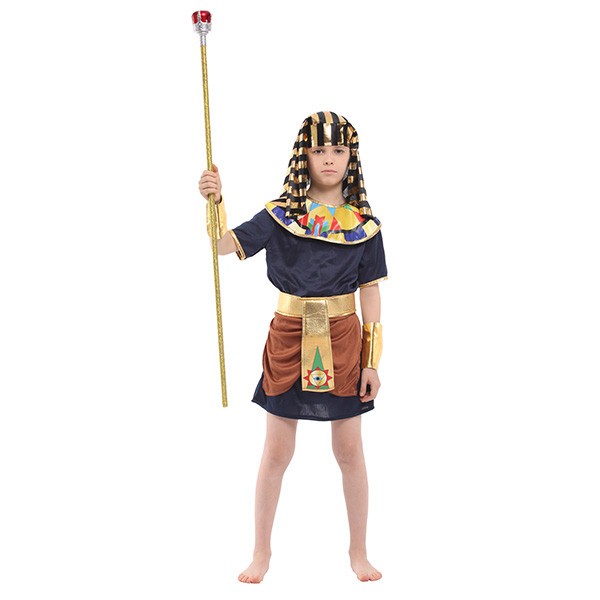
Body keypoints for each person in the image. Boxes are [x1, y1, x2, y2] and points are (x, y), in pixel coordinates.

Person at [198, 111, 387, 583]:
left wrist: (372, 361)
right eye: (319, 150)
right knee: (277, 451)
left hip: (344, 341)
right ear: (305, 155)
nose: (329, 159)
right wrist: (216, 200)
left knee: (350, 451)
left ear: (351, 157)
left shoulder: (364, 225)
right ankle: (260, 553)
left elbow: (370, 293)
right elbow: (223, 246)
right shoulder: (280, 215)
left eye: (338, 150)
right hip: (288, 336)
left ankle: (358, 552)